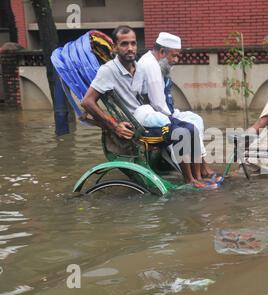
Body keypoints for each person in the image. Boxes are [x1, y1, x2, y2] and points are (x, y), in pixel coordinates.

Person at [80, 25, 212, 189]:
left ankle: (198, 176)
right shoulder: (108, 70)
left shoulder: (139, 66)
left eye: (133, 44)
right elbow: (87, 102)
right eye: (124, 44)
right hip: (136, 124)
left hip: (148, 116)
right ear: (114, 47)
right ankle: (189, 180)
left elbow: (148, 98)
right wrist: (114, 126)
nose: (130, 48)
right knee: (182, 132)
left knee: (191, 128)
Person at [138, 32, 221, 183]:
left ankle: (202, 167)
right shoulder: (150, 66)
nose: (176, 60)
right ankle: (196, 175)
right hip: (155, 115)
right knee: (190, 126)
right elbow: (158, 104)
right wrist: (175, 118)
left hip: (164, 111)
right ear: (162, 52)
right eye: (174, 56)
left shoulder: (158, 64)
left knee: (196, 119)